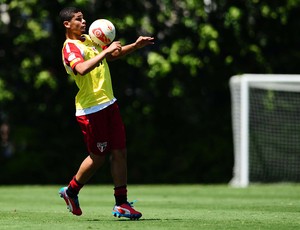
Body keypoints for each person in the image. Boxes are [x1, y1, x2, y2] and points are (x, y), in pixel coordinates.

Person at [58, 7, 154, 220]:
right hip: (90, 110)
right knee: (98, 157)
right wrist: (105, 52)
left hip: (109, 103)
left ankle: (121, 203)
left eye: (83, 19)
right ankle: (71, 191)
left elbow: (112, 56)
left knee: (120, 151)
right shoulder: (70, 47)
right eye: (78, 19)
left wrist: (135, 46)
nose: (84, 22)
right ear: (67, 24)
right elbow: (81, 68)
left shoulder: (89, 39)